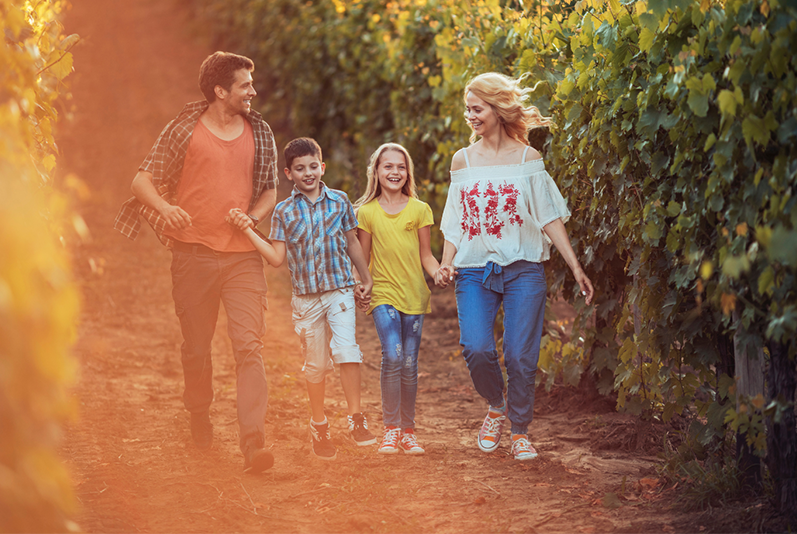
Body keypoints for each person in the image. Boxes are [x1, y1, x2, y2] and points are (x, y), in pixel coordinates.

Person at [114, 52, 277, 474]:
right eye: (244, 85)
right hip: (193, 256)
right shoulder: (184, 129)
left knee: (249, 347)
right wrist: (166, 209)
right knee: (197, 348)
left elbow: (270, 191)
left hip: (243, 258)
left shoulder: (259, 130)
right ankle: (198, 411)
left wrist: (253, 219)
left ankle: (253, 441)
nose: (253, 92)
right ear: (221, 92)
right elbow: (140, 180)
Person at [435, 72, 594, 461]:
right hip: (474, 271)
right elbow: (455, 220)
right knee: (476, 347)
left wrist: (575, 267)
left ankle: (520, 431)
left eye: (477, 109)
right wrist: (445, 262)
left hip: (524, 269)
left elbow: (549, 217)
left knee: (521, 357)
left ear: (498, 109)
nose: (470, 116)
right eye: (467, 110)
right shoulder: (463, 160)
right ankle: (495, 404)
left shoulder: (528, 159)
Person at [226, 137, 376, 461]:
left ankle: (355, 417)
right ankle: (319, 423)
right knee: (316, 366)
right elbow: (277, 257)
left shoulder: (340, 201)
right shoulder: (283, 212)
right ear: (288, 173)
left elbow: (352, 242)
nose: (308, 173)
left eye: (312, 166)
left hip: (339, 289)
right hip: (306, 299)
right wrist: (249, 231)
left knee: (347, 349)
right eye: (299, 169)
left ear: (322, 167)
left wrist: (365, 277)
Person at [354, 143, 440, 455]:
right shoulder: (366, 212)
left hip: (414, 295)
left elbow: (427, 256)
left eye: (401, 167)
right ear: (376, 172)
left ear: (408, 173)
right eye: (388, 166)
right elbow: (362, 260)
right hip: (383, 294)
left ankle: (408, 431)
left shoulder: (420, 210)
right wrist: (360, 285)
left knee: (408, 362)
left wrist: (440, 271)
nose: (395, 172)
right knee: (392, 354)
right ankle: (390, 429)